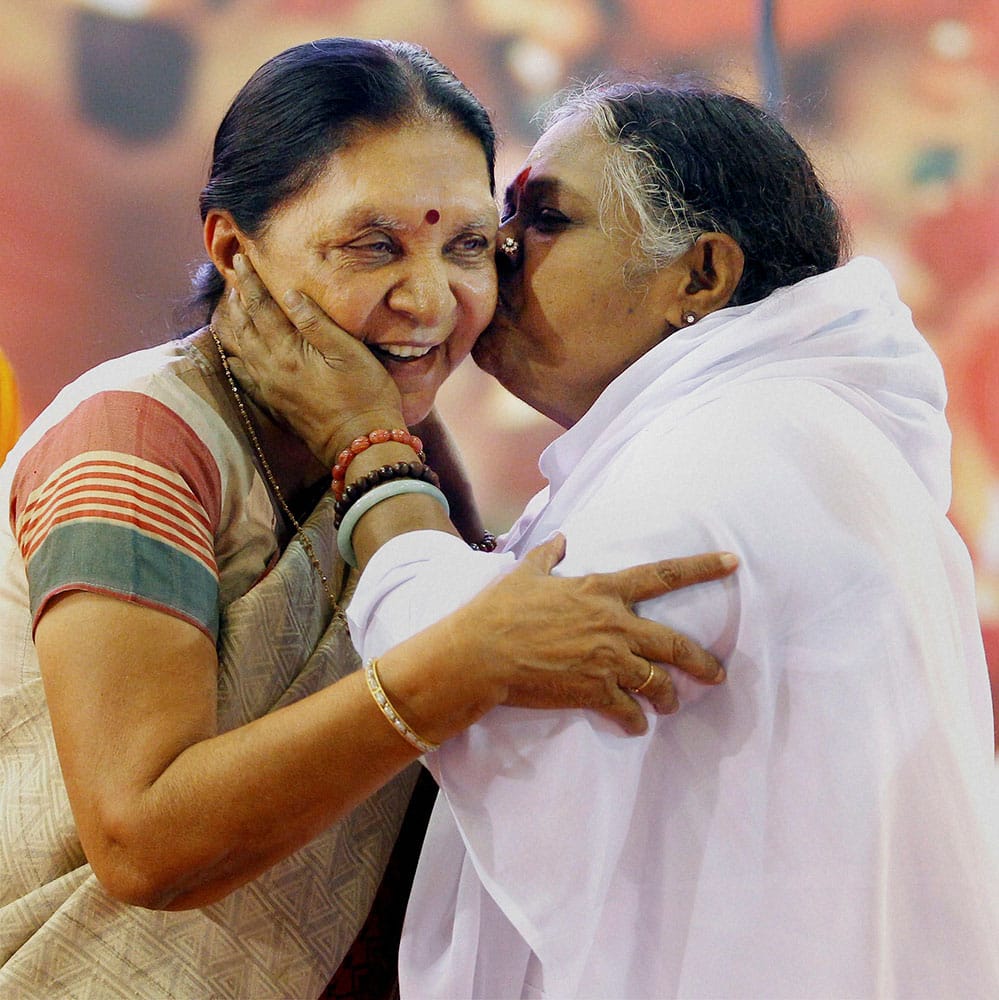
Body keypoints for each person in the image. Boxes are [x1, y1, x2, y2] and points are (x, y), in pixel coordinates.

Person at [221, 78, 999, 997]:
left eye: (546, 218)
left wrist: (368, 448)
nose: (498, 252)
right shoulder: (785, 430)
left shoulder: (728, 455)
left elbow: (459, 678)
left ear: (700, 277)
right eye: (506, 215)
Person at [0, 42, 738, 1000]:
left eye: (469, 246)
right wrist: (461, 663)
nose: (432, 300)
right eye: (373, 245)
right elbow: (143, 841)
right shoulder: (138, 440)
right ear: (233, 249)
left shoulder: (404, 454)